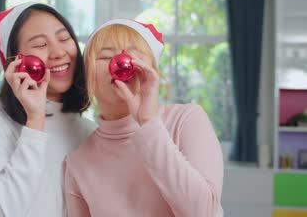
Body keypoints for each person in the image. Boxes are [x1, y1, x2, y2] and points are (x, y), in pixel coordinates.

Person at [64, 19, 224, 217]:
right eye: (105, 56)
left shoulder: (187, 120)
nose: (120, 63)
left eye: (132, 55)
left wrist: (148, 122)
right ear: (87, 76)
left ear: (152, 70)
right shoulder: (78, 161)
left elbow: (203, 213)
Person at [0, 2, 96, 217]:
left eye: (64, 39)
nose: (58, 52)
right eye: (40, 45)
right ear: (16, 62)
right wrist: (35, 120)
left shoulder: (89, 132)